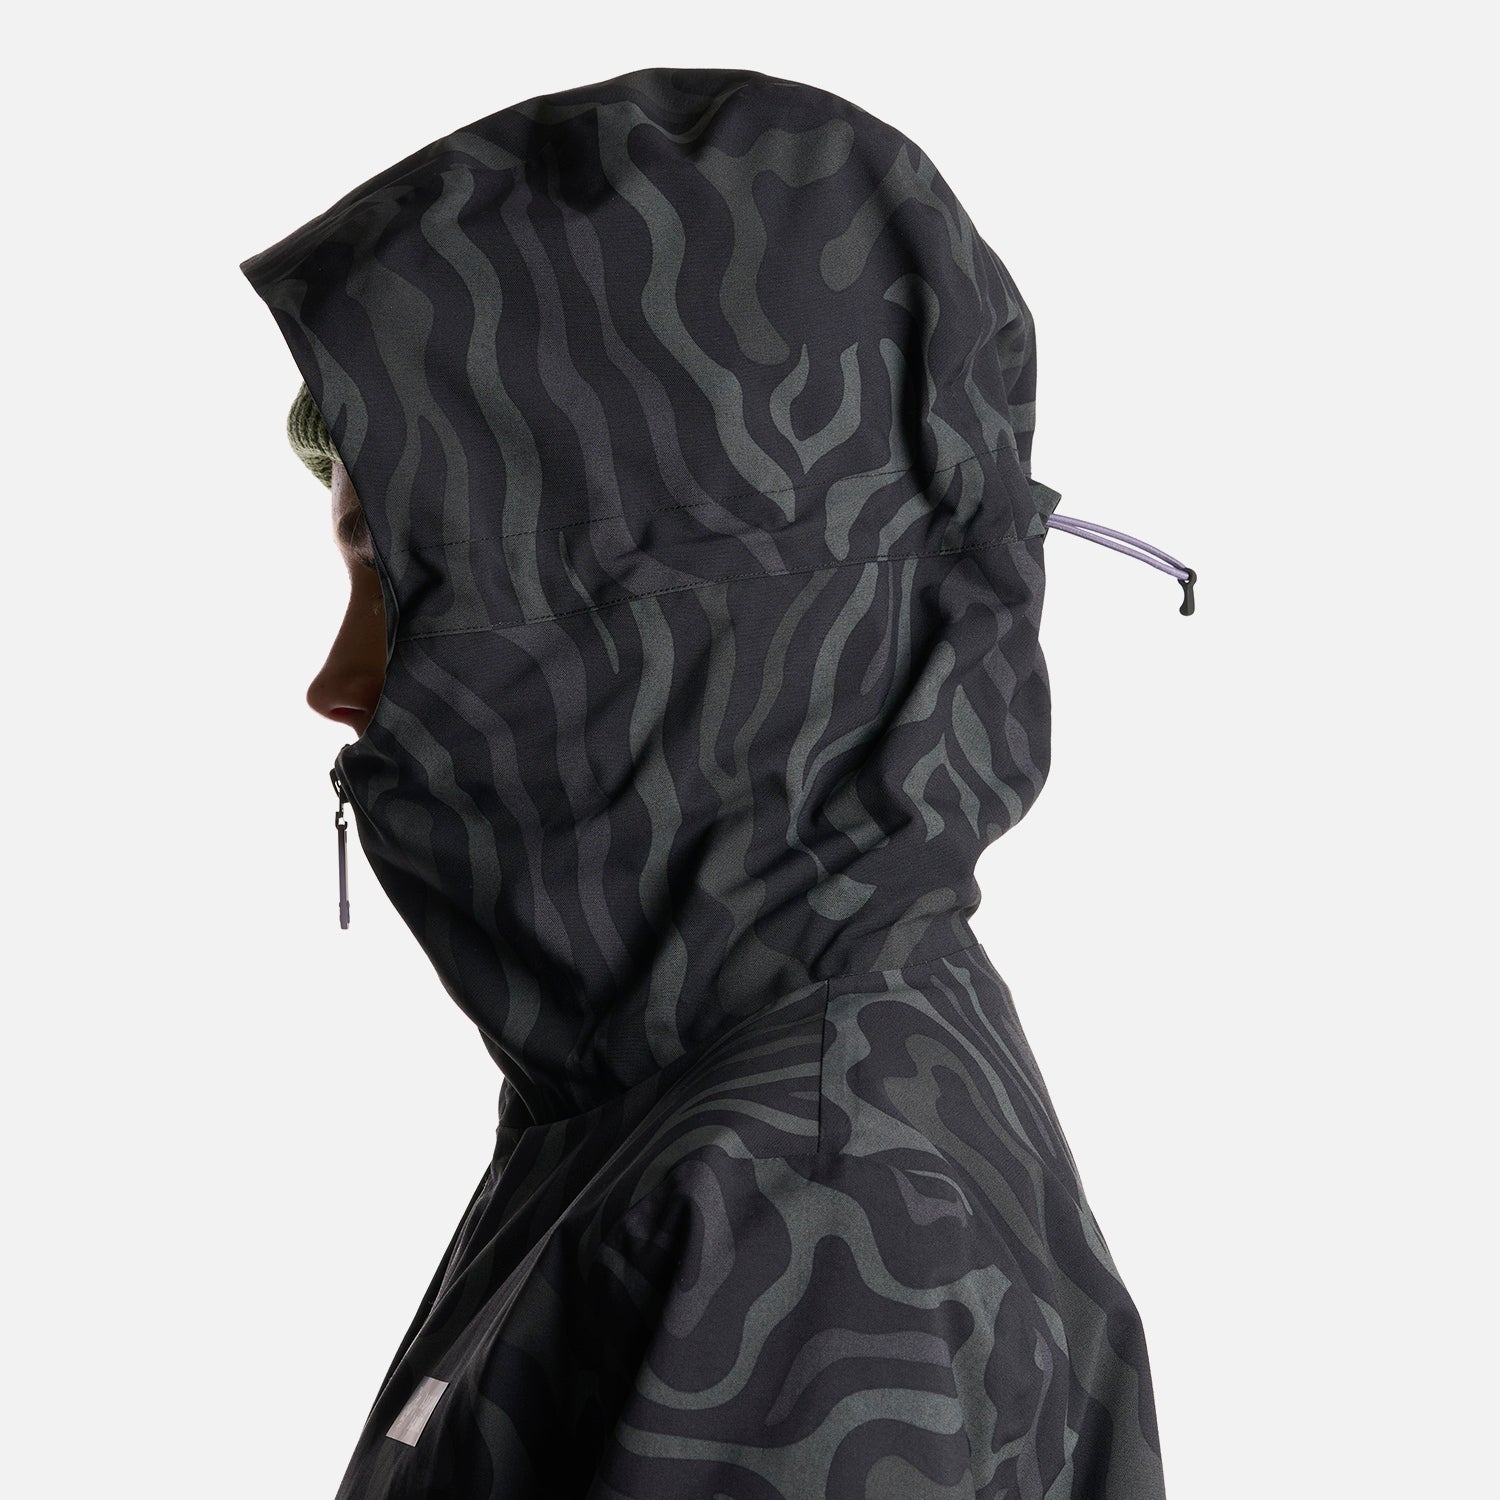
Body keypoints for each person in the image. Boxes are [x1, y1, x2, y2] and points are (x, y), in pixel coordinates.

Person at [243, 65, 1174, 1499]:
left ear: (636, 619)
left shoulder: (802, 1206)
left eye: (403, 580)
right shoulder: (715, 1099)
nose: (339, 682)